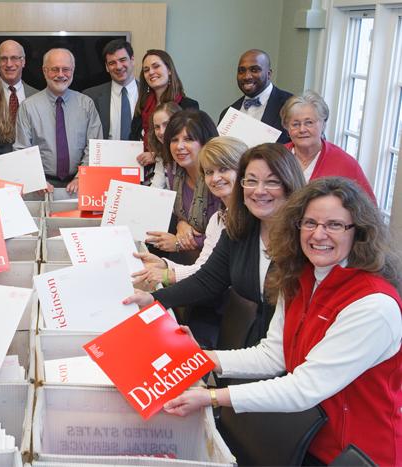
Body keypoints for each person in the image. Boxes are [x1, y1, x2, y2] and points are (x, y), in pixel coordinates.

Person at [163, 177, 401, 466]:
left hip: (356, 454)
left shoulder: (373, 306)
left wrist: (212, 397)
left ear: (358, 232)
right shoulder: (300, 277)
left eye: (335, 225)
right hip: (304, 439)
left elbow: (304, 387)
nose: (319, 234)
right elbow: (273, 355)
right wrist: (201, 358)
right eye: (310, 223)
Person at [125, 144, 306, 348]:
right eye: (252, 181)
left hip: (291, 354)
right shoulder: (238, 229)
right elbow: (207, 280)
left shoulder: (307, 240)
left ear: (290, 184)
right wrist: (152, 298)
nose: (259, 191)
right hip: (246, 349)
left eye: (272, 182)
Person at [134, 136, 248, 287]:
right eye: (209, 172)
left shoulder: (251, 217)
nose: (215, 178)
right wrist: (165, 265)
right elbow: (204, 269)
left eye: (224, 169)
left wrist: (168, 275)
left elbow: (214, 276)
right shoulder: (218, 218)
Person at [14, 48, 103, 193]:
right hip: (41, 186)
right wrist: (36, 180)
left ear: (73, 71)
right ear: (44, 71)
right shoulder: (28, 107)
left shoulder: (87, 105)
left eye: (66, 69)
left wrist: (81, 177)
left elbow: (95, 146)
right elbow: (22, 149)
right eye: (54, 69)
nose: (60, 74)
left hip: (80, 185)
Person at [145, 110, 221, 263]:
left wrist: (178, 243)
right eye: (174, 139)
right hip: (184, 260)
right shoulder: (175, 173)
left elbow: (225, 235)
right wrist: (181, 222)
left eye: (188, 139)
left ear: (205, 142)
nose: (179, 146)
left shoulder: (218, 179)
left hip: (215, 264)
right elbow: (181, 213)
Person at [281, 90, 376, 201]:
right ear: (287, 128)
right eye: (295, 124)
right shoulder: (276, 157)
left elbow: (369, 209)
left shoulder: (345, 163)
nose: (302, 129)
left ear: (323, 124)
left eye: (309, 122)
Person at [132, 50, 199, 172]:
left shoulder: (188, 106)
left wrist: (156, 156)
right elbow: (132, 140)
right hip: (141, 172)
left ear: (169, 70)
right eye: (146, 70)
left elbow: (191, 145)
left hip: (175, 173)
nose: (151, 72)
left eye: (156, 66)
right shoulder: (141, 106)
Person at [219, 49, 292, 144]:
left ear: (269, 74)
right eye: (241, 71)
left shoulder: (290, 106)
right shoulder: (227, 113)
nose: (247, 76)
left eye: (254, 70)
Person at [83, 39, 138, 140]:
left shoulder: (148, 93)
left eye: (122, 60)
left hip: (141, 155)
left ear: (132, 60)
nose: (118, 67)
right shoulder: (90, 96)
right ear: (107, 67)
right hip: (104, 154)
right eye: (112, 63)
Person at [0, 39, 38, 123]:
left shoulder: (37, 96)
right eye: (4, 58)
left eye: (14, 58)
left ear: (23, 62)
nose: (9, 64)